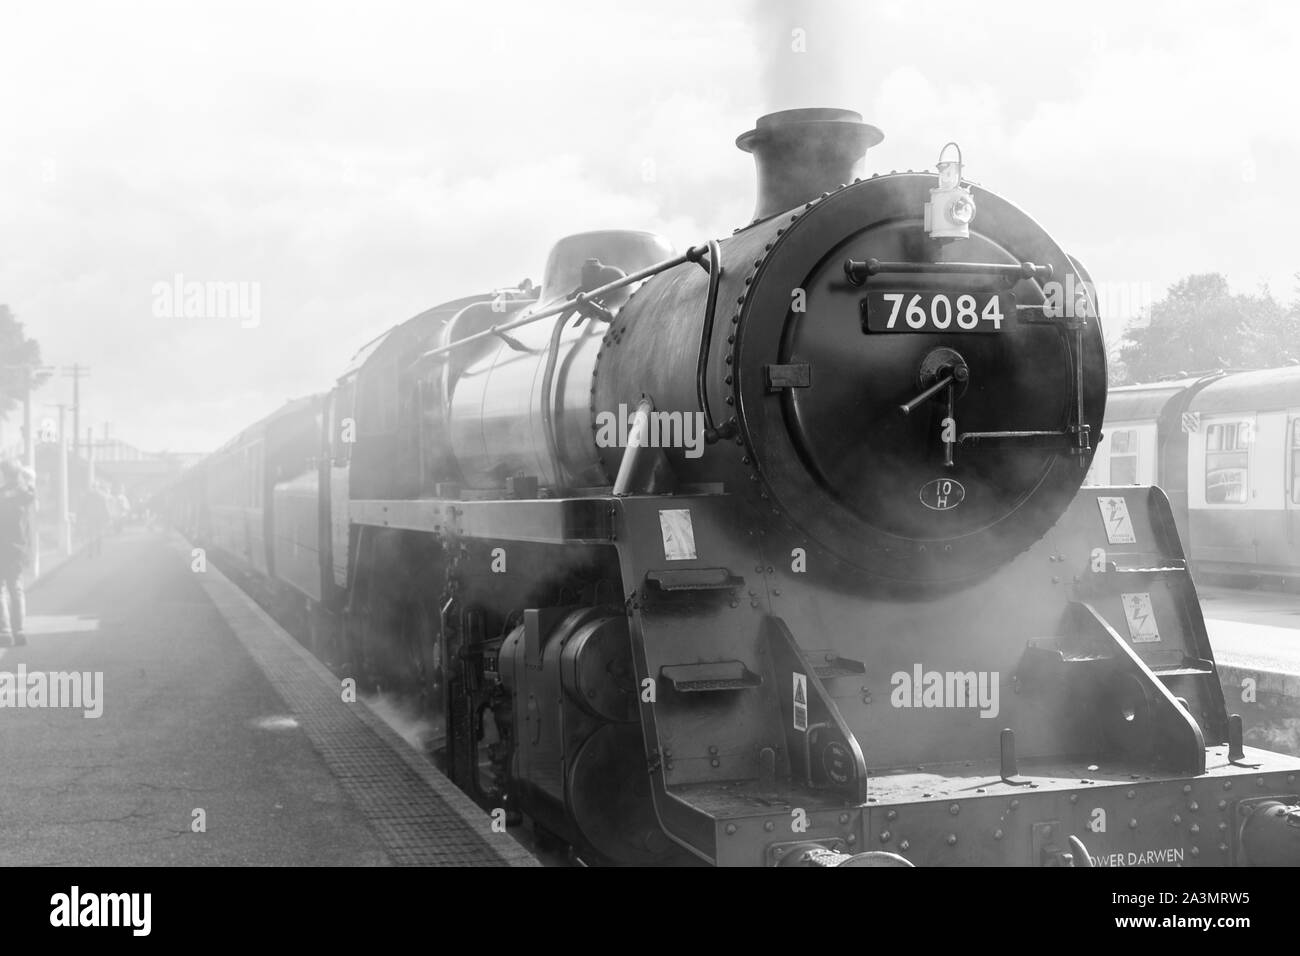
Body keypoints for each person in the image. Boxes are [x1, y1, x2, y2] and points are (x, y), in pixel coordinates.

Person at [0, 460, 35, 647]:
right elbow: (31, 492)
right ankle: (19, 631)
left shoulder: (1, 494)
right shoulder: (23, 494)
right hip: (18, 548)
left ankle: (5, 632)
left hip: (0, 547)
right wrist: (25, 479)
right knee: (17, 589)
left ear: (4, 474)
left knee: (1, 590)